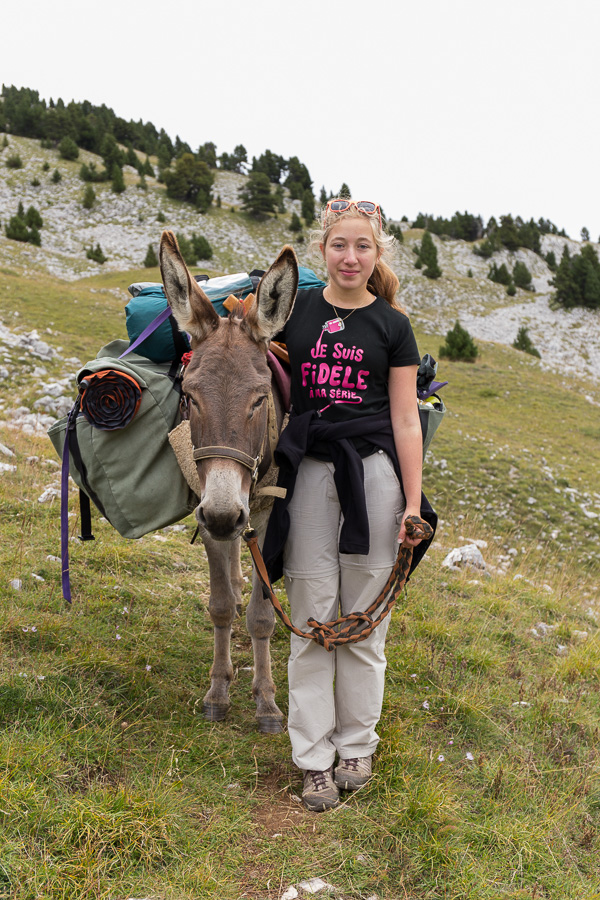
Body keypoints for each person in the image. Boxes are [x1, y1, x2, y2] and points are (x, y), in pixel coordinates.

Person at [263, 199, 431, 812]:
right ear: (322, 251)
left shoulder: (393, 325)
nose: (350, 257)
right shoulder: (295, 311)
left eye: (362, 246)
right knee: (311, 616)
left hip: (376, 476)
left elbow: (406, 419)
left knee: (364, 618)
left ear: (376, 253)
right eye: (339, 245)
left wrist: (413, 503)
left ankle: (356, 745)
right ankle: (312, 760)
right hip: (309, 471)